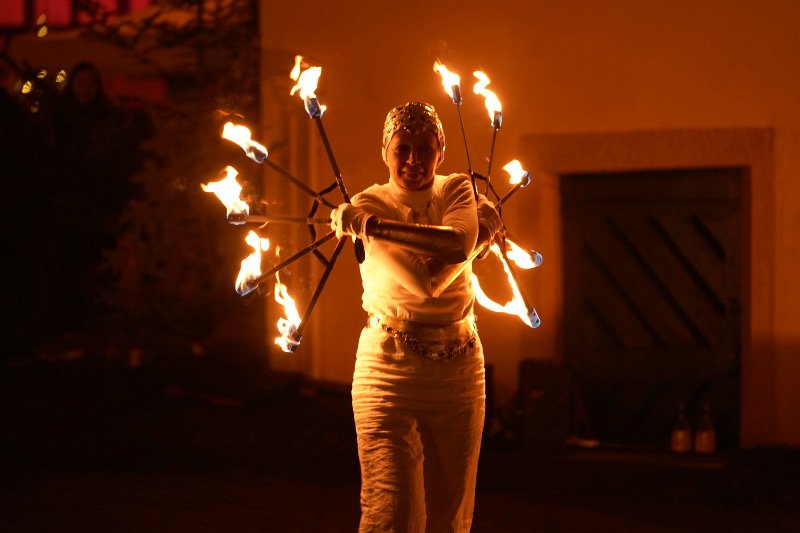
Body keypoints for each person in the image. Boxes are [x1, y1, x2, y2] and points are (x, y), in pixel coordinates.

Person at [330, 101, 503, 532]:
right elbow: (427, 281)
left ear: (441, 150)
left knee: (452, 519)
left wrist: (369, 227)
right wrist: (479, 237)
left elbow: (456, 247)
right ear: (384, 151)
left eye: (425, 149)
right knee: (389, 515)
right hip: (388, 368)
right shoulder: (371, 200)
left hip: (459, 366)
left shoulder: (456, 189)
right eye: (402, 148)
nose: (413, 160)